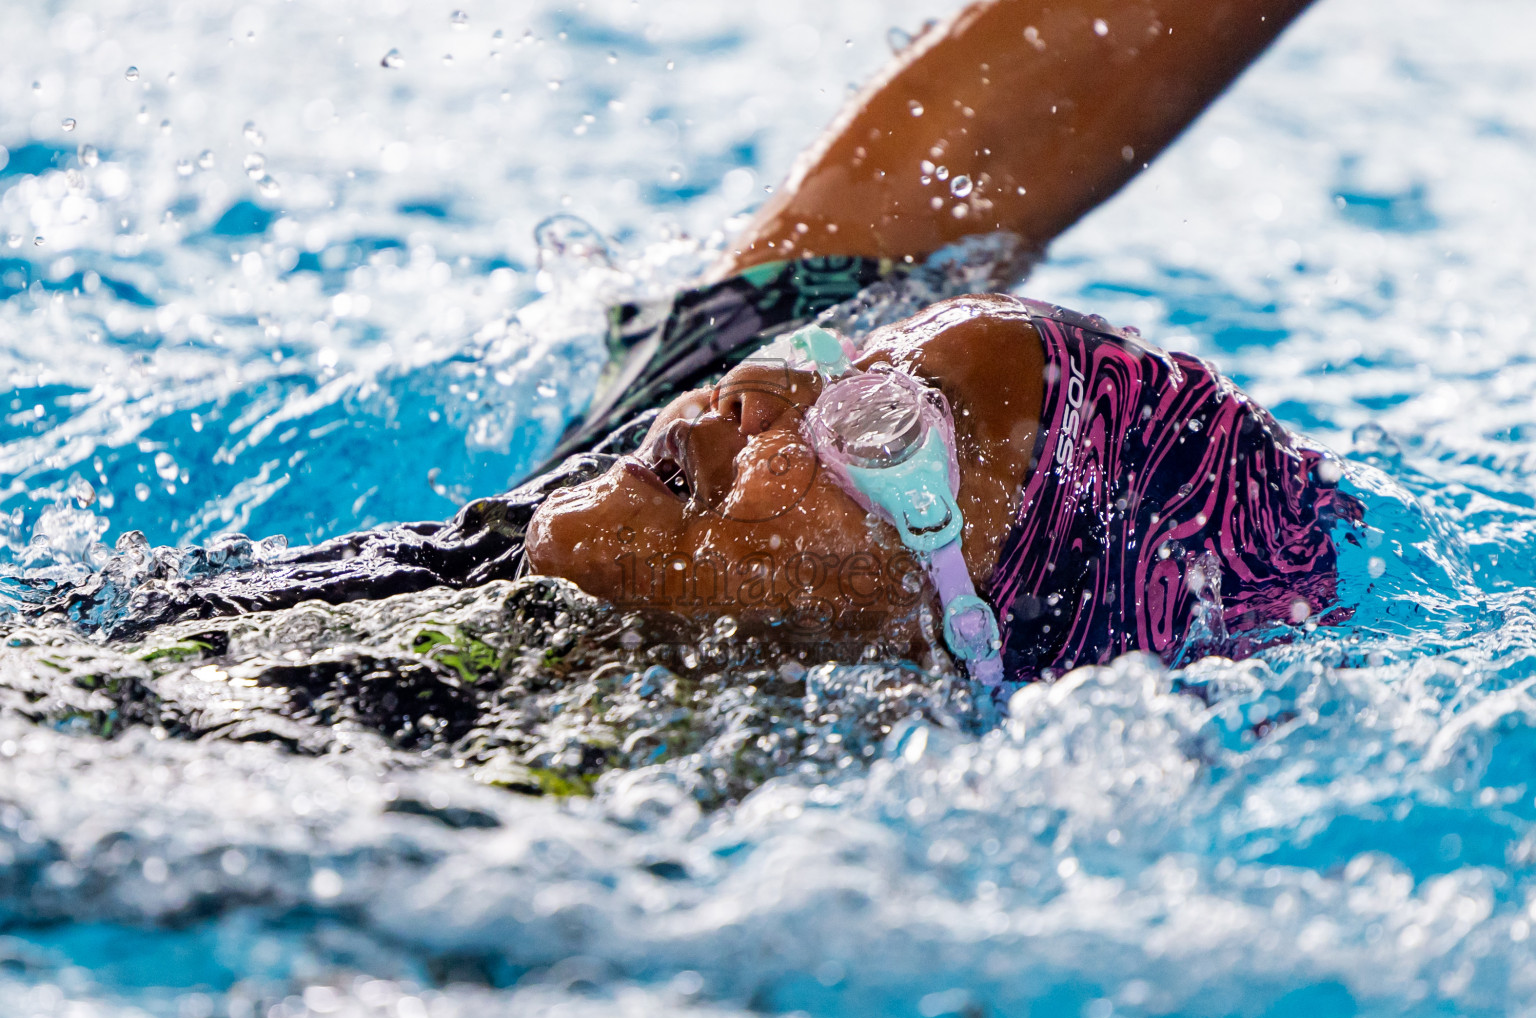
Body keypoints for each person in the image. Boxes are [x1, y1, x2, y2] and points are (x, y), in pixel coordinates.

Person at [50, 0, 1349, 701]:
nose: (769, 382)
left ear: (949, 639)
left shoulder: (573, 857)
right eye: (853, 349)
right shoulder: (670, 469)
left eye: (887, 428)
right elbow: (1005, 126)